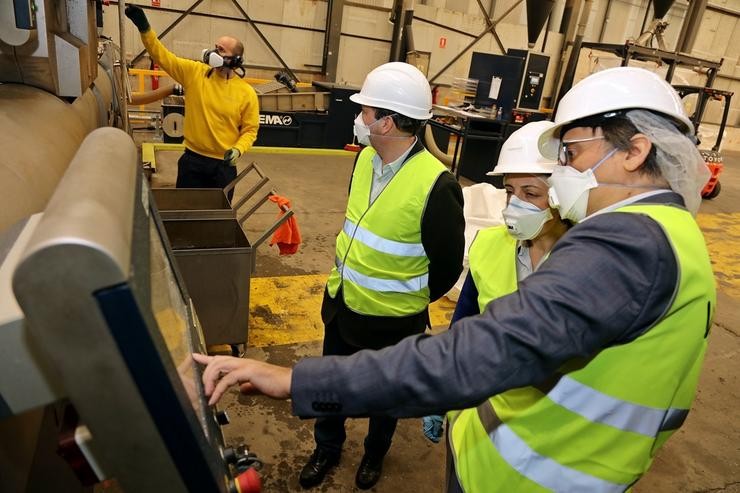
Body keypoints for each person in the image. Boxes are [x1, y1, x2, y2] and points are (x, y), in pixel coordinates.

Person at [193, 66, 716, 492]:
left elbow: (486, 348)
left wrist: (295, 379)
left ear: (635, 151)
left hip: (530, 480)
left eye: (573, 154)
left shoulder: (632, 244)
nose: (563, 177)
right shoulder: (664, 233)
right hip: (486, 450)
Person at [420, 120, 570, 446]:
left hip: (552, 427)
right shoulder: (488, 245)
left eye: (531, 193)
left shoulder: (588, 263)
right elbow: (464, 327)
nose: (514, 205)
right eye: (510, 192)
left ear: (564, 196)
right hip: (485, 407)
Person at [125, 6, 259, 199]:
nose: (213, 52)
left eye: (220, 50)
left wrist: (238, 150)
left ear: (234, 60)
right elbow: (163, 57)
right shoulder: (195, 73)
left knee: (216, 218)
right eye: (215, 47)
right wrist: (145, 30)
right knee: (187, 212)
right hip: (192, 162)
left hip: (222, 167)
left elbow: (250, 130)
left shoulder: (246, 93)